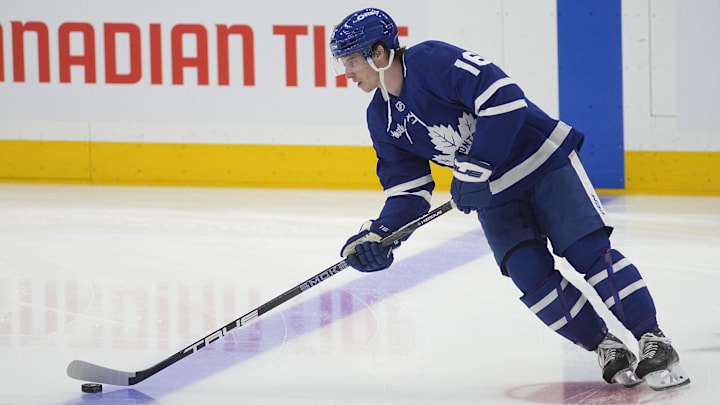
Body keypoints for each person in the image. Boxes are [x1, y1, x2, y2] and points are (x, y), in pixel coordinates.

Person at [330, 7, 690, 391]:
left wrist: (476, 163)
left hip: (541, 162)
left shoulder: (432, 60)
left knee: (587, 251)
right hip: (493, 194)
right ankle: (606, 345)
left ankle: (654, 340)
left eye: (352, 60)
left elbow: (504, 98)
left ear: (380, 53)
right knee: (529, 274)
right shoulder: (381, 118)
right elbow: (408, 190)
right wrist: (381, 235)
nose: (347, 72)